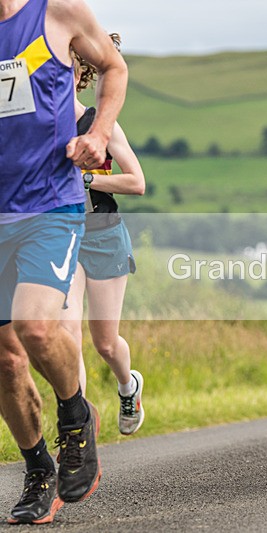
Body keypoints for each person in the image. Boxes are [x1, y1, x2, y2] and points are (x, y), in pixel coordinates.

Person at [0, 0, 127, 524]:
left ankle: (75, 416)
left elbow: (115, 67)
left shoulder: (58, 12)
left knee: (34, 327)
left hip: (49, 204)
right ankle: (37, 471)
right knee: (5, 361)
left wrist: (98, 134)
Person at [61, 33, 145, 436]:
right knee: (66, 335)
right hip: (60, 236)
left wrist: (88, 178)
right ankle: (77, 428)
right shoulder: (38, 130)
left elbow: (137, 182)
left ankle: (128, 386)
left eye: (67, 67)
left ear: (80, 74)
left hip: (103, 235)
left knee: (105, 343)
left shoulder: (100, 123)